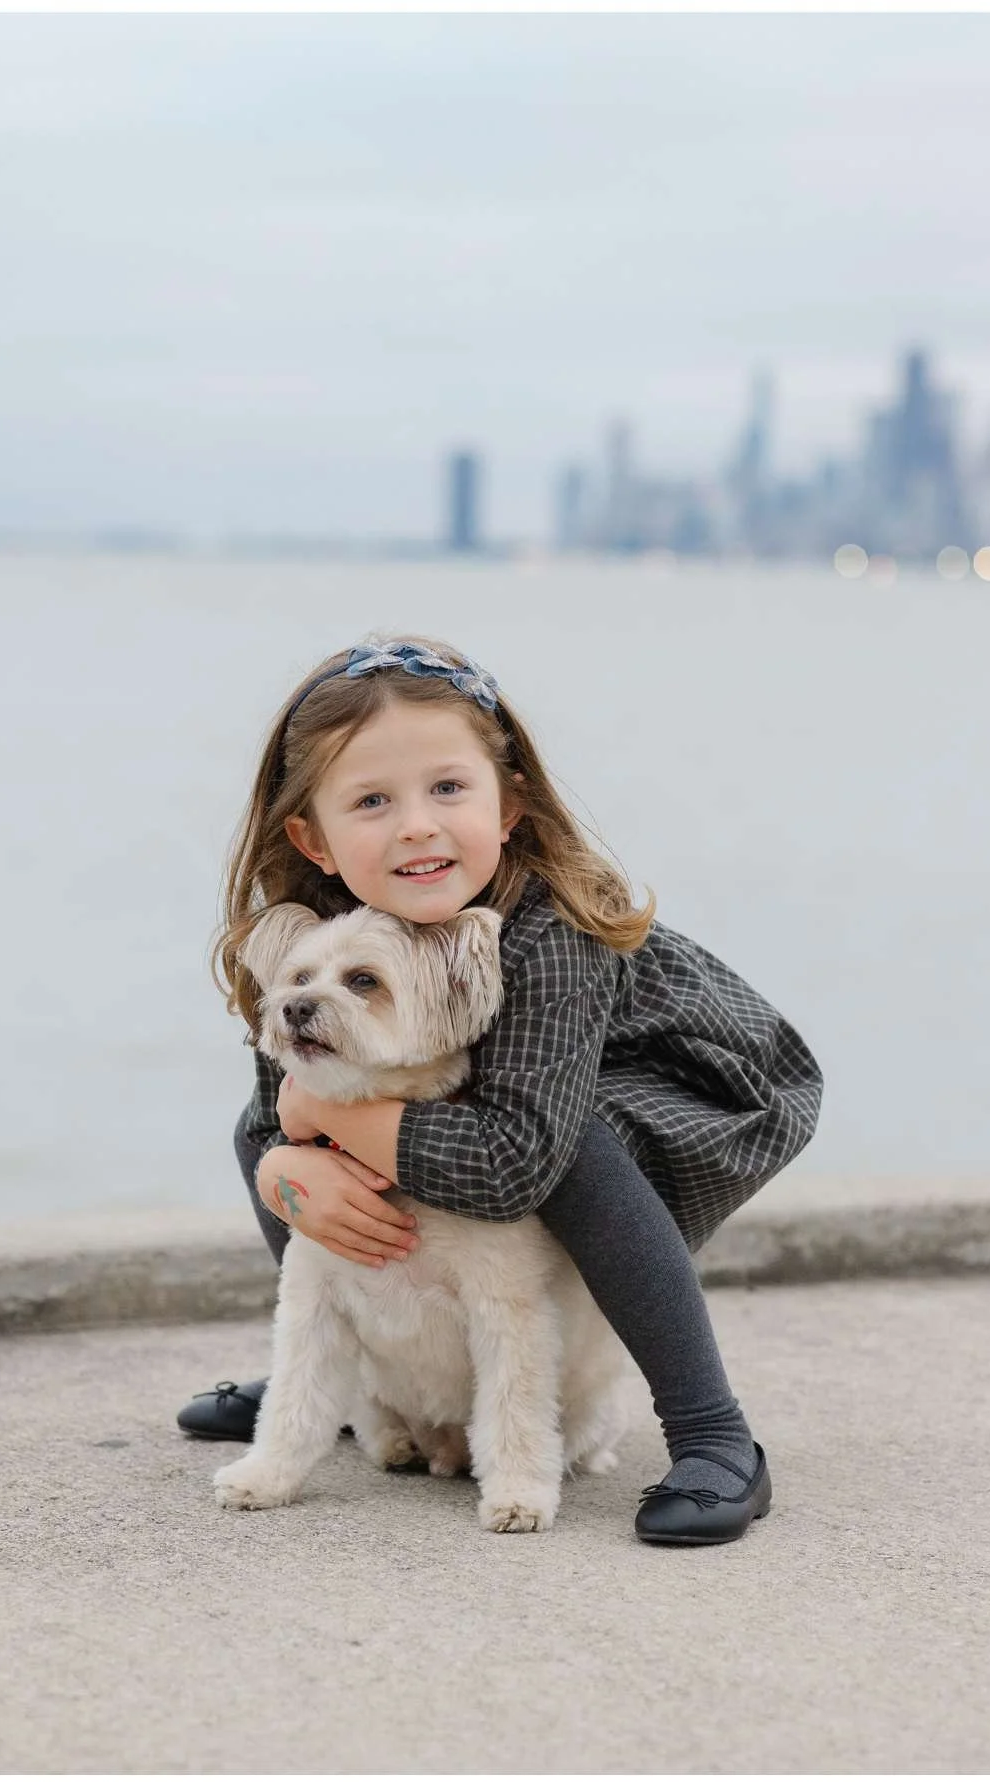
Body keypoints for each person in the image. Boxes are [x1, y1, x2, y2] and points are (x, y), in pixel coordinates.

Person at [178, 634, 823, 1545]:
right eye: (372, 800)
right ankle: (353, 1375)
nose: (416, 825)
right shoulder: (315, 930)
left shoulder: (552, 933)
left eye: (449, 788)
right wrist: (294, 1164)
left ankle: (713, 1431)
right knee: (267, 1139)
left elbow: (513, 1164)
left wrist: (321, 1117)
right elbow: (269, 1116)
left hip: (685, 1095)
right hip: (505, 1115)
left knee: (573, 1154)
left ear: (510, 800)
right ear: (312, 838)